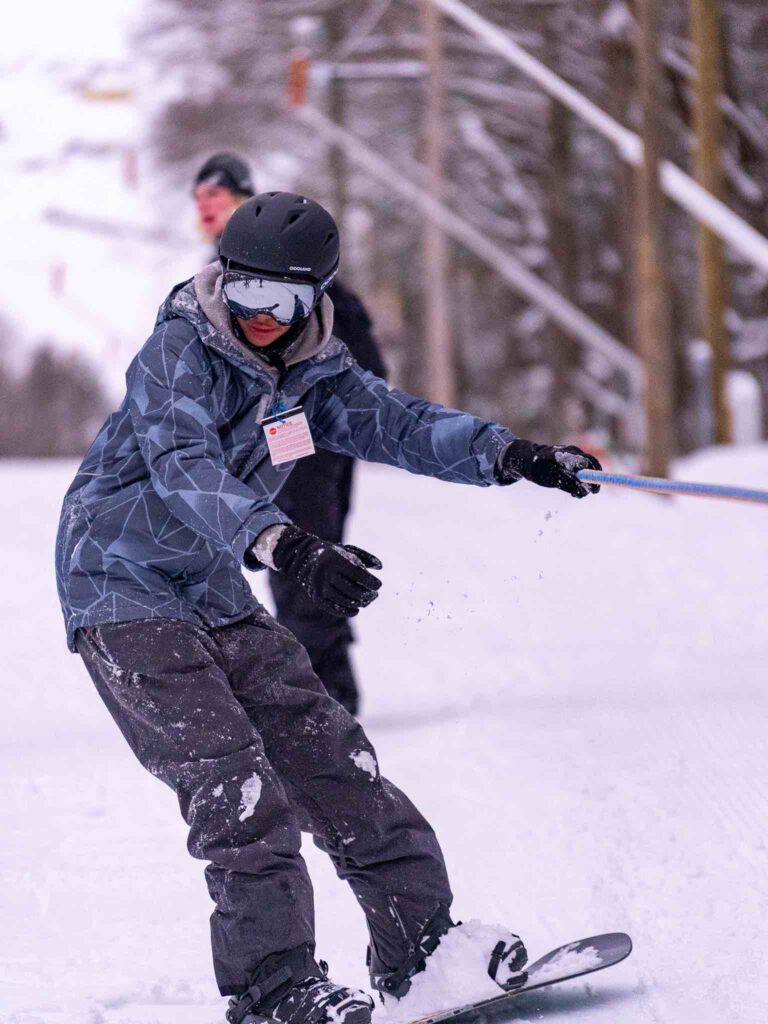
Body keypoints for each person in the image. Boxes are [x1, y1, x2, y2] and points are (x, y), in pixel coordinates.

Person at [55, 192, 602, 1024]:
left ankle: (423, 954)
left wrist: (509, 455)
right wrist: (287, 544)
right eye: (244, 291)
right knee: (236, 786)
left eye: (283, 298)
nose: (260, 314)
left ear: (319, 297)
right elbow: (183, 465)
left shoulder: (316, 371)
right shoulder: (178, 350)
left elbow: (397, 423)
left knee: (334, 759)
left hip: (209, 583)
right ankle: (275, 990)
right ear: (221, 279)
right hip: (119, 581)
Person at [193, 153, 387, 715]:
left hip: (310, 450)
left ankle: (329, 698)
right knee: (286, 565)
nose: (207, 207)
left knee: (307, 565)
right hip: (268, 450)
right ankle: (322, 689)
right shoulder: (214, 284)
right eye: (199, 198)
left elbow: (367, 376)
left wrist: (305, 414)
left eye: (219, 196)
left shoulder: (302, 283)